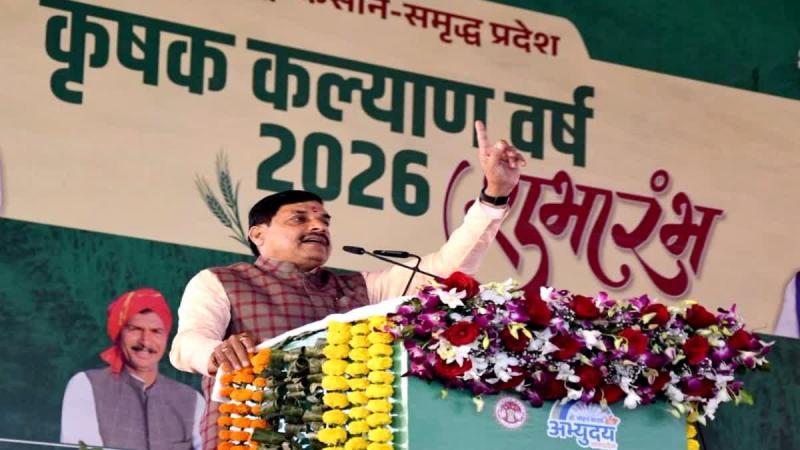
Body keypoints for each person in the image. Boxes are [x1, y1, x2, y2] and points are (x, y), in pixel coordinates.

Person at [169, 121, 526, 449]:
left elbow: (446, 272)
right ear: (258, 234)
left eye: (324, 220)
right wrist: (215, 353)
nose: (319, 226)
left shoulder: (362, 289)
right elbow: (187, 344)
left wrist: (494, 196)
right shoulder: (222, 281)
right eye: (299, 218)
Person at [61, 288, 204, 450]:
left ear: (166, 337)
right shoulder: (85, 386)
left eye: (156, 331)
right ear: (119, 333)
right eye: (135, 329)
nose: (145, 341)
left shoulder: (193, 400)